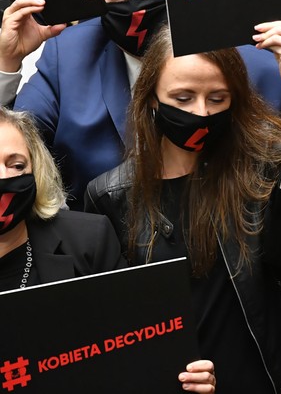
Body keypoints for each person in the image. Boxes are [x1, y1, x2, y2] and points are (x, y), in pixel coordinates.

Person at [85, 21, 281, 393]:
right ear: (151, 98)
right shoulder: (111, 195)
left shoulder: (259, 161)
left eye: (217, 99)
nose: (201, 113)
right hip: (190, 379)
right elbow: (112, 319)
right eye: (183, 98)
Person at [0, 0, 281, 205]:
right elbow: (14, 152)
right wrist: (7, 63)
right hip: (108, 240)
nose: (134, 7)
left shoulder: (259, 67)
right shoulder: (68, 54)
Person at [0, 106, 216, 391]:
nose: (4, 177)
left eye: (16, 165)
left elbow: (139, 350)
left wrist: (186, 378)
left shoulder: (88, 239)